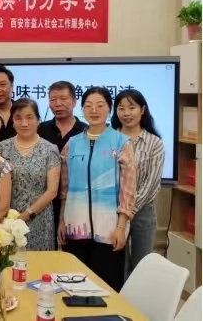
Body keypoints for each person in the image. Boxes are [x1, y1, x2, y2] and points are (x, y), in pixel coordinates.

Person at [58, 87, 136, 292]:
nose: (94, 110)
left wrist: (121, 227)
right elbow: (65, 189)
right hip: (75, 228)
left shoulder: (121, 143)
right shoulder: (72, 144)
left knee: (107, 289)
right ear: (82, 109)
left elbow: (128, 191)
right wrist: (62, 221)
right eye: (89, 106)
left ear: (109, 109)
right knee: (74, 288)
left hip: (109, 230)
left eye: (100, 105)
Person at [0, 99, 60, 250]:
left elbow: (52, 191)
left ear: (38, 120)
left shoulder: (50, 149)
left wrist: (26, 215)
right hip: (8, 219)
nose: (24, 123)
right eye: (18, 118)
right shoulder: (2, 148)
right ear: (12, 122)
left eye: (29, 117)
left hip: (40, 218)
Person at [112, 89, 165, 273]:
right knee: (118, 266)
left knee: (141, 267)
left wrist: (127, 211)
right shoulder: (110, 140)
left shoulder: (154, 143)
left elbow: (151, 184)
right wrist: (121, 213)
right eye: (121, 108)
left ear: (142, 110)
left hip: (143, 212)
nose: (126, 113)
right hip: (113, 211)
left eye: (132, 107)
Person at [38, 80, 87, 248]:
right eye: (53, 99)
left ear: (74, 101)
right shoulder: (40, 130)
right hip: (44, 200)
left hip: (76, 201)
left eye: (63, 99)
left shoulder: (86, 131)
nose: (58, 104)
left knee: (73, 250)